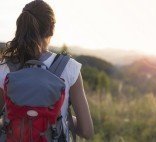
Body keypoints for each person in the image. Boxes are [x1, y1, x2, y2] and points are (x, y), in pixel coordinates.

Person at [0, 0, 94, 141]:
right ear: (52, 28)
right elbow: (87, 131)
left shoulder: (5, 68)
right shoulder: (69, 68)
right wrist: (63, 117)